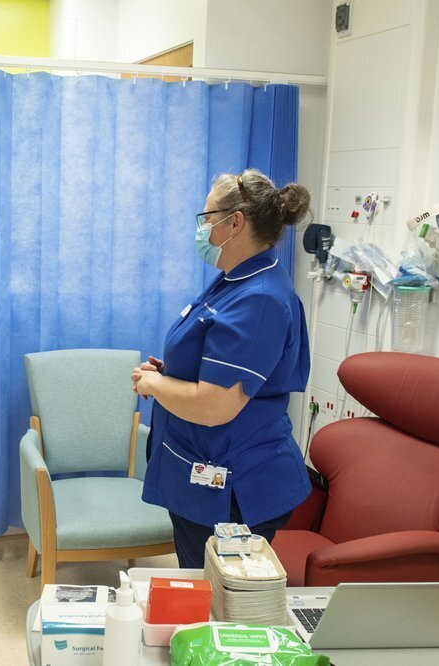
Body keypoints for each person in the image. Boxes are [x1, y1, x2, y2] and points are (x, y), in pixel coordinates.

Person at [131, 169, 312, 570]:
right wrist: (170, 373)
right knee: (200, 595)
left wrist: (158, 384)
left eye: (208, 218)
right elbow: (214, 359)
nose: (203, 228)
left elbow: (216, 406)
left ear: (236, 222)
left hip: (233, 487)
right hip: (203, 474)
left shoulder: (260, 300)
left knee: (219, 608)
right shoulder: (235, 280)